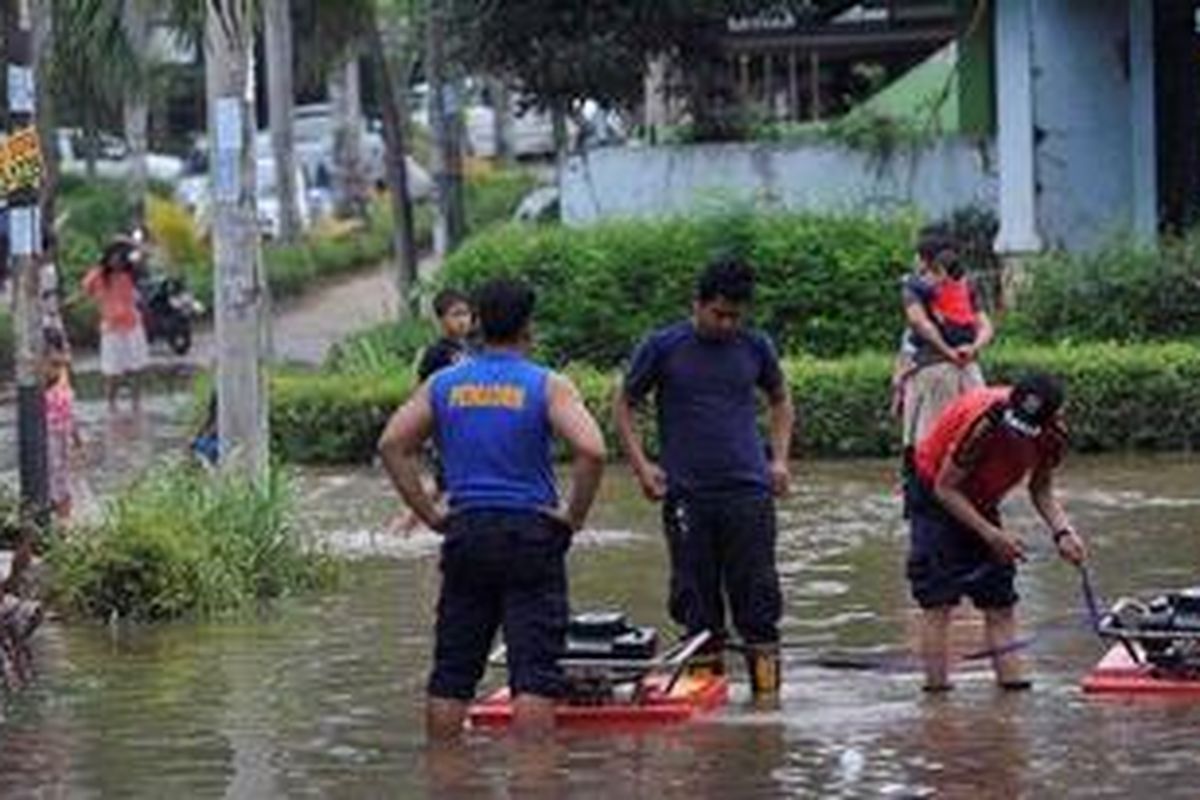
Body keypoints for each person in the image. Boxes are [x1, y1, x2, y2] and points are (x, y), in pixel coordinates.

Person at [378, 278, 606, 740]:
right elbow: (593, 451)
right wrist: (573, 517)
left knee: (453, 674)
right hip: (531, 533)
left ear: (477, 324)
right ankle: (535, 782)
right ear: (529, 327)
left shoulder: (443, 384)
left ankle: (444, 778)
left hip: (467, 533)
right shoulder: (547, 384)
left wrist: (431, 516)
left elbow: (392, 445)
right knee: (534, 677)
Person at [613, 257, 794, 708]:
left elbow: (780, 398)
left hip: (749, 493)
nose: (728, 324)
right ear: (696, 304)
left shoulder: (755, 347)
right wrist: (642, 465)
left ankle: (768, 706)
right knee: (697, 608)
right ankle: (705, 708)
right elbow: (624, 403)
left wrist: (780, 459)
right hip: (687, 497)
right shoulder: (662, 347)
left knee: (759, 603)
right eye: (719, 314)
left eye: (736, 316)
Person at [906, 372, 1087, 692]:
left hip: (982, 498)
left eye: (1028, 430)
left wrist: (1063, 532)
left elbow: (1041, 488)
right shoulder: (985, 423)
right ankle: (936, 698)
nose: (1018, 436)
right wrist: (991, 535)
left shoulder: (1054, 435)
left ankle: (1013, 692)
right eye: (1015, 424)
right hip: (933, 492)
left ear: (1054, 418)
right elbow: (945, 489)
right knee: (939, 599)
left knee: (1000, 599)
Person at [899, 227, 994, 453]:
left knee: (932, 438)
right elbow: (986, 326)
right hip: (970, 368)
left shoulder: (913, 286)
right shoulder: (966, 286)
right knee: (975, 432)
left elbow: (919, 323)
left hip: (934, 369)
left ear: (925, 260)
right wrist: (972, 349)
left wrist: (947, 351)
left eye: (917, 255)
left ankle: (930, 486)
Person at [82, 238, 149, 412]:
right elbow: (85, 290)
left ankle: (136, 403)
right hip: (111, 327)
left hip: (132, 324)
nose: (117, 262)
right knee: (112, 370)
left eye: (120, 258)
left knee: (136, 366)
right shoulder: (98, 275)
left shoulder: (130, 273)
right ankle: (111, 404)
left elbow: (145, 253)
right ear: (107, 258)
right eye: (114, 258)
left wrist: (130, 242)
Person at [43, 332, 83, 522]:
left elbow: (70, 411)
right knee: (54, 476)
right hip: (48, 433)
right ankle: (59, 519)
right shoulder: (41, 376)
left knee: (61, 477)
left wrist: (77, 437)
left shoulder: (62, 371)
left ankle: (64, 521)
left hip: (61, 432)